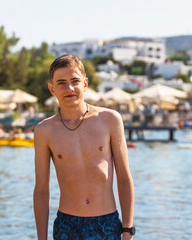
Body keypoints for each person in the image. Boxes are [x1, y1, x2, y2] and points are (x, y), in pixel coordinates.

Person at [33, 55, 134, 240]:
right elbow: (41, 190)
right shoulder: (44, 131)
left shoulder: (110, 120)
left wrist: (128, 229)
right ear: (52, 88)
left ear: (85, 83)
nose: (69, 88)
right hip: (67, 226)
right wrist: (42, 238)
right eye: (61, 83)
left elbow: (124, 178)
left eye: (75, 81)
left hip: (106, 223)